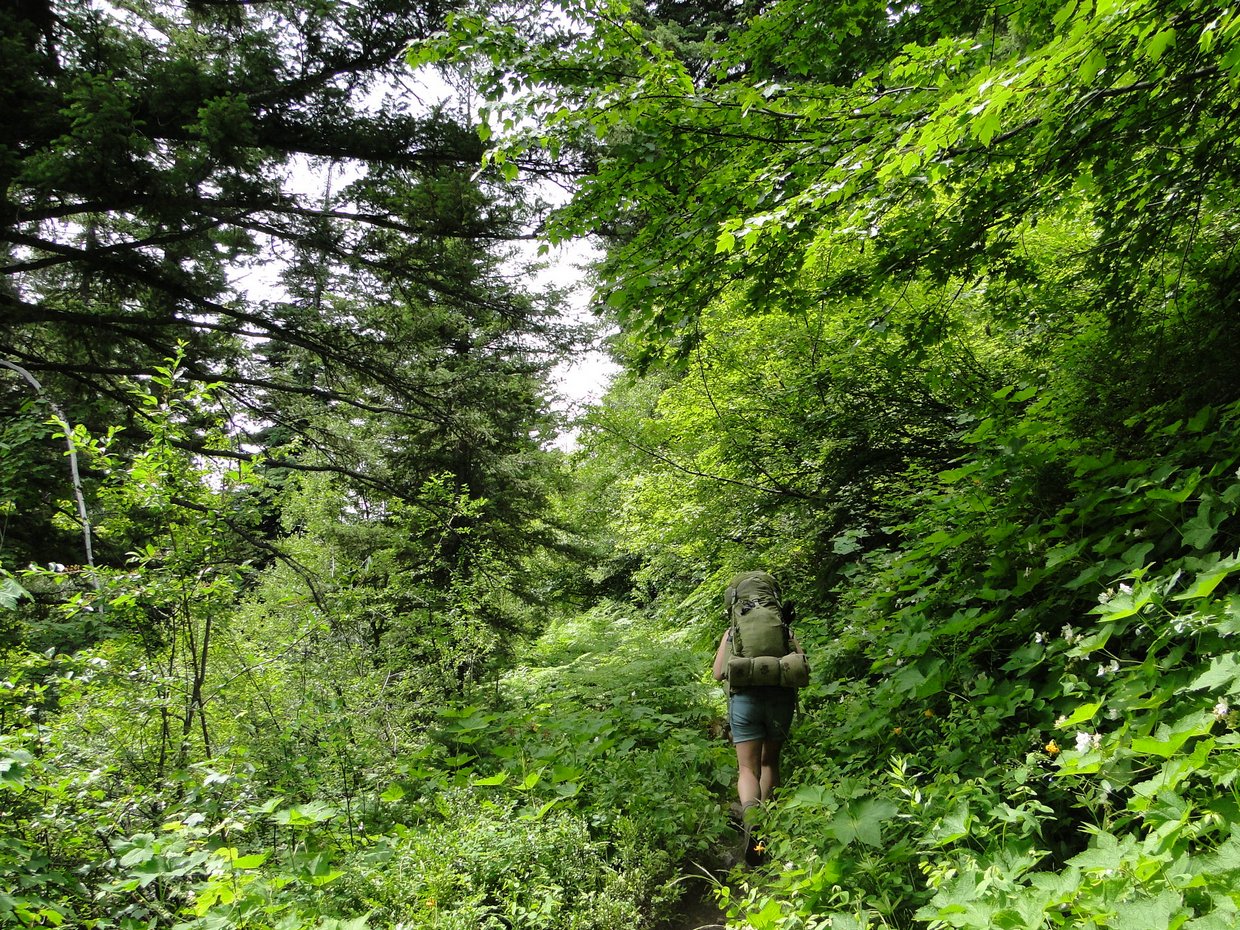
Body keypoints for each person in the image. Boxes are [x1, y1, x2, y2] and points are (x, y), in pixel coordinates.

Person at [712, 575, 803, 863]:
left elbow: (718, 673)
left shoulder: (732, 632)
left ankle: (752, 821)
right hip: (780, 701)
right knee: (769, 763)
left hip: (745, 702)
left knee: (747, 769)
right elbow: (801, 665)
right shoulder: (784, 629)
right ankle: (767, 823)